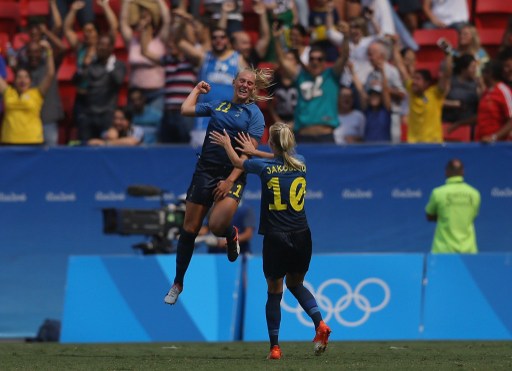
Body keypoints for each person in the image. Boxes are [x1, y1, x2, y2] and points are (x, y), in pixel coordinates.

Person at [209, 123, 331, 360]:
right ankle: (320, 323)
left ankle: (275, 348)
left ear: (272, 144)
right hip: (302, 235)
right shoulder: (302, 162)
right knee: (296, 285)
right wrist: (257, 152)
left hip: (276, 237)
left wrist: (227, 145)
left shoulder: (264, 169)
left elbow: (237, 162)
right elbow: (283, 157)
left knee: (275, 292)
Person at [164, 67, 273, 305]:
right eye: (241, 81)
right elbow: (185, 109)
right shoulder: (218, 105)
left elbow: (247, 155)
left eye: (250, 83)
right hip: (205, 170)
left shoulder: (254, 115)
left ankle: (230, 234)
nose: (245, 85)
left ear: (254, 89)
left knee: (215, 226)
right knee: (189, 229)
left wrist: (230, 180)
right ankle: (178, 282)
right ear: (234, 83)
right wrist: (196, 89)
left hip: (231, 174)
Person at [274, 21, 350, 143]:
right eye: (312, 59)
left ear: (324, 62)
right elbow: (282, 61)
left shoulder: (331, 75)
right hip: (303, 137)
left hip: (325, 137)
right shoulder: (300, 76)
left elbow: (344, 56)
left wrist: (346, 37)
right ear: (308, 60)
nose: (315, 62)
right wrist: (277, 38)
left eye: (319, 59)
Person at [0, 41, 55, 145]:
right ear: (15, 80)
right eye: (19, 77)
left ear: (30, 81)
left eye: (26, 77)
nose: (22, 80)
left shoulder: (37, 93)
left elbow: (50, 73)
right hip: (9, 142)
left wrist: (49, 52)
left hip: (33, 143)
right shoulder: (8, 92)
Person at [425, 159, 480, 254]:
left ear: (446, 172)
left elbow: (429, 216)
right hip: (469, 251)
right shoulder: (474, 194)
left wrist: (442, 216)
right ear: (463, 172)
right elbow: (472, 216)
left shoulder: (438, 193)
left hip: (443, 251)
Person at [475, 60, 512, 142]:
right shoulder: (486, 92)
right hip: (482, 142)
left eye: (483, 73)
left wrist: (494, 137)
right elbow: (482, 116)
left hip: (498, 145)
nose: (481, 76)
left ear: (489, 73)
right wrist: (459, 124)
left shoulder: (503, 91)